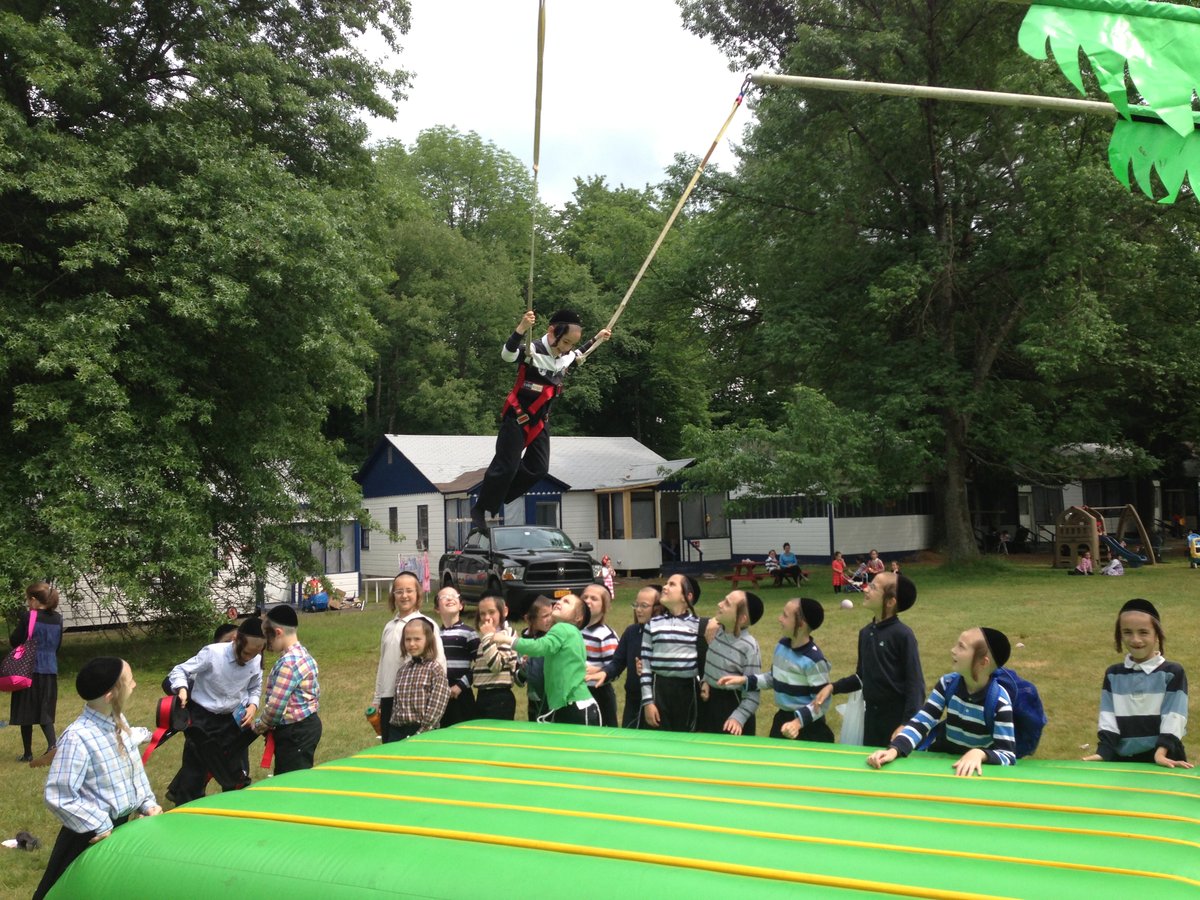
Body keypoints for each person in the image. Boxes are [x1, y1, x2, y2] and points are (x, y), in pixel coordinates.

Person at [470, 309, 611, 533]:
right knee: (506, 467)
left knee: (538, 469)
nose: (566, 348)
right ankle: (482, 509)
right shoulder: (533, 349)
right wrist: (521, 329)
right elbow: (507, 355)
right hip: (517, 417)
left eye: (570, 344)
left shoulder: (564, 355)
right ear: (551, 331)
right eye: (564, 341)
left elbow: (578, 354)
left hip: (539, 421)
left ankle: (499, 499)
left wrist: (598, 338)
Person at [34, 658, 161, 900]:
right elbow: (58, 795)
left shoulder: (119, 721)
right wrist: (100, 823)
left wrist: (147, 803)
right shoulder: (78, 738)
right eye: (130, 680)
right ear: (110, 695)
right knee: (62, 892)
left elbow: (132, 771)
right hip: (87, 836)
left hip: (123, 829)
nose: (134, 685)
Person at [867, 627, 1016, 776]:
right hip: (941, 762)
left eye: (961, 647)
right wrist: (895, 749)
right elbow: (922, 721)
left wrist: (979, 754)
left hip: (976, 773)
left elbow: (1008, 755)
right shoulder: (948, 684)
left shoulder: (999, 701)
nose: (953, 650)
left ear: (983, 662)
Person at [814, 571, 924, 747]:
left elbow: (915, 684)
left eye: (873, 587)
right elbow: (862, 677)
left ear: (890, 602)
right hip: (872, 718)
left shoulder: (903, 635)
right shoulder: (866, 633)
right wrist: (832, 687)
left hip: (896, 721)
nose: (865, 589)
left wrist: (907, 724)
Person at [164, 616, 265, 804]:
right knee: (195, 770)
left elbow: (255, 687)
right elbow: (179, 670)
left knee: (235, 772)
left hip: (233, 719)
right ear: (237, 639)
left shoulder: (256, 659)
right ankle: (186, 811)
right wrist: (182, 689)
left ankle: (235, 810)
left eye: (257, 652)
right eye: (247, 652)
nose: (251, 657)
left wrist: (252, 705)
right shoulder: (212, 653)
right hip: (203, 719)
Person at [1081, 599, 1191, 768]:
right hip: (1122, 761)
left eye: (1143, 632)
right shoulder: (1113, 674)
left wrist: (1161, 753)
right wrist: (1103, 753)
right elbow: (1108, 717)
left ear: (1157, 634)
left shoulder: (1172, 673)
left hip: (1163, 758)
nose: (1135, 639)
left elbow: (1174, 716)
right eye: (1127, 632)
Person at [721, 598, 831, 741]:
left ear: (801, 624)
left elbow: (822, 701)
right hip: (782, 719)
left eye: (785, 615)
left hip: (808, 726)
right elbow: (774, 678)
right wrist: (744, 680)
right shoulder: (782, 646)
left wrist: (798, 723)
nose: (779, 619)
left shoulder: (814, 660)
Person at [496, 593, 599, 725]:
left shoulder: (562, 628)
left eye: (567, 601)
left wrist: (507, 640)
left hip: (575, 705)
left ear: (578, 617)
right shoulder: (572, 634)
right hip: (572, 705)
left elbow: (540, 646)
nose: (559, 602)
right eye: (560, 600)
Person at [373, 571, 445, 743]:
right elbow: (383, 665)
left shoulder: (426, 625)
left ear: (418, 593)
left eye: (409, 590)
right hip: (389, 699)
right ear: (393, 595)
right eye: (399, 591)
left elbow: (440, 664)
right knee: (391, 748)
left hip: (416, 703)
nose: (404, 595)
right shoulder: (389, 626)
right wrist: (377, 699)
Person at [253, 605, 320, 774]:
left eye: (267, 637)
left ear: (278, 633)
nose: (267, 644)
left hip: (295, 732)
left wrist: (258, 727)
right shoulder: (304, 655)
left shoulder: (289, 663)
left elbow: (275, 707)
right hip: (307, 726)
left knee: (291, 778)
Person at [640, 573, 704, 732]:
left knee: (687, 739)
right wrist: (648, 702)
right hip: (659, 689)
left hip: (688, 691)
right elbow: (646, 666)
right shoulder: (653, 624)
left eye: (672, 584)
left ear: (686, 597)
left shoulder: (699, 626)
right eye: (666, 583)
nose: (664, 587)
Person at [11, 582, 63, 766]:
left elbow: (15, 640)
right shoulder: (57, 618)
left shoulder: (29, 616)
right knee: (45, 709)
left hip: (28, 668)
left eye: (28, 599)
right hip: (49, 668)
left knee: (26, 710)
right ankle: (52, 745)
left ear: (33, 600)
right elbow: (57, 644)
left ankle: (27, 753)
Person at [594, 585, 662, 728]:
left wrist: (650, 668)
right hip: (633, 700)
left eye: (644, 606)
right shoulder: (631, 632)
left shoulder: (663, 635)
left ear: (657, 608)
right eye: (636, 605)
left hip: (657, 701)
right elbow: (618, 662)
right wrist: (604, 673)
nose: (638, 610)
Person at [699, 591, 763, 736]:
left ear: (741, 619)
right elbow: (713, 665)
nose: (719, 604)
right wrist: (706, 682)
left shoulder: (748, 647)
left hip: (733, 709)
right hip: (710, 705)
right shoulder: (717, 633)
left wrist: (738, 718)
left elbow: (753, 692)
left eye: (727, 603)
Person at [389, 618, 452, 740]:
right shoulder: (402, 671)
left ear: (428, 641)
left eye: (417, 639)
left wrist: (421, 733)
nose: (412, 644)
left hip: (424, 733)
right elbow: (396, 705)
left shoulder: (435, 670)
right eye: (408, 639)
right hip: (398, 732)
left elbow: (437, 708)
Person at [434, 586, 478, 728]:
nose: (450, 598)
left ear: (461, 605)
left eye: (454, 596)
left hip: (461, 694)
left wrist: (460, 686)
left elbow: (480, 665)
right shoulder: (434, 635)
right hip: (439, 695)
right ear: (437, 608)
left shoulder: (469, 633)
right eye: (444, 597)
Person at [471, 596, 519, 720]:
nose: (487, 618)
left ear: (504, 612)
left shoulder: (506, 634)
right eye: (482, 614)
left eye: (492, 612)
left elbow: (496, 665)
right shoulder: (487, 638)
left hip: (499, 697)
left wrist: (487, 637)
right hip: (483, 694)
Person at [580, 583, 619, 727]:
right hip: (577, 691)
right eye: (585, 597)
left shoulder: (605, 636)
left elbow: (615, 667)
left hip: (599, 692)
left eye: (594, 598)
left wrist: (600, 671)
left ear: (605, 607)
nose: (588, 601)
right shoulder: (573, 629)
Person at [516, 597, 554, 721]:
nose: (550, 619)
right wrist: (524, 667)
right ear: (528, 619)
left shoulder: (554, 637)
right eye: (544, 616)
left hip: (555, 698)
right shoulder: (523, 643)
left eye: (551, 614)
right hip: (535, 700)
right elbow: (519, 681)